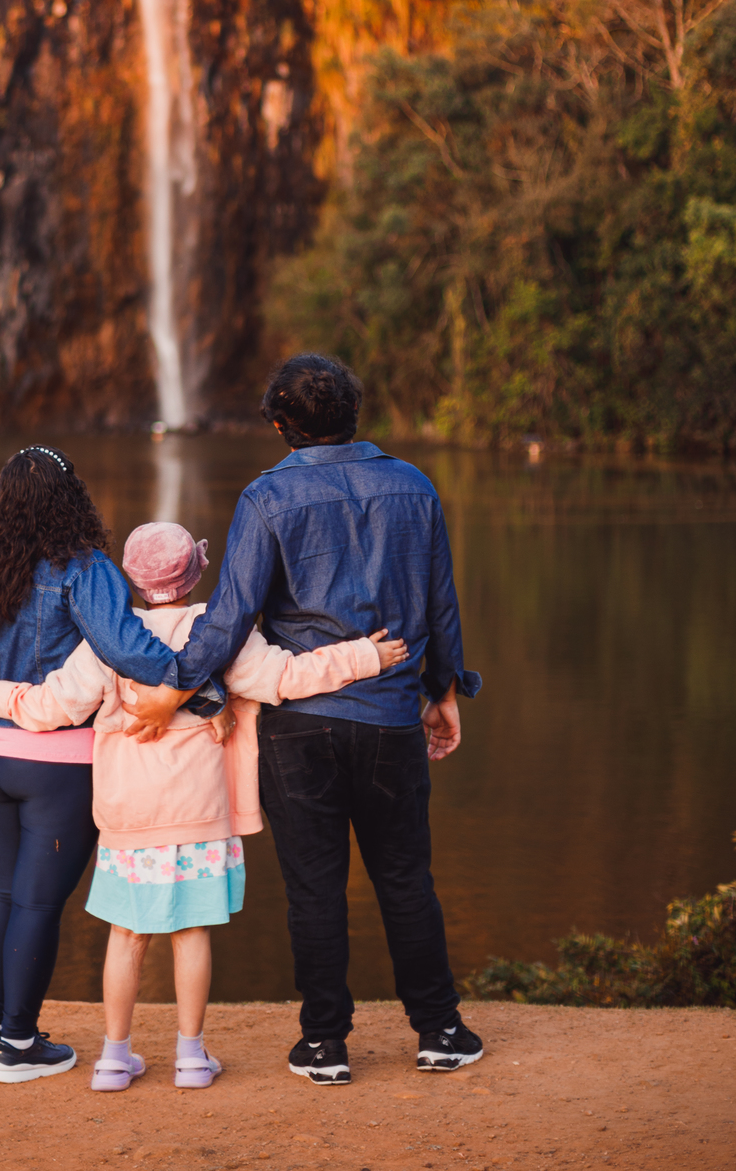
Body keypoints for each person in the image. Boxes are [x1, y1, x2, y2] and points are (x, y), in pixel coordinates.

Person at [126, 355, 483, 1083]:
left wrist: (176, 689)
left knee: (315, 887)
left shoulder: (266, 499)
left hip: (298, 727)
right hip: (388, 717)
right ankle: (440, 1028)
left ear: (283, 426)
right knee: (407, 878)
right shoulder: (414, 486)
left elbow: (228, 621)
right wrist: (444, 691)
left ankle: (324, 1042)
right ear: (355, 411)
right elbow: (440, 600)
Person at [0, 521, 407, 1093]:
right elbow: (286, 678)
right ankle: (191, 1058)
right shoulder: (217, 631)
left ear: (130, 579)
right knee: (191, 932)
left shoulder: (108, 637)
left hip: (130, 814)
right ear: (197, 574)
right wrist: (362, 657)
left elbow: (55, 704)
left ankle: (114, 1060)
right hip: (200, 810)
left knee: (126, 935)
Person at [0, 444, 193, 1085]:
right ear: (72, 500)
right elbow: (125, 649)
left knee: (3, 889)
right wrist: (195, 683)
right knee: (37, 902)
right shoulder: (86, 571)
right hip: (56, 762)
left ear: (0, 503)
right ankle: (18, 1045)